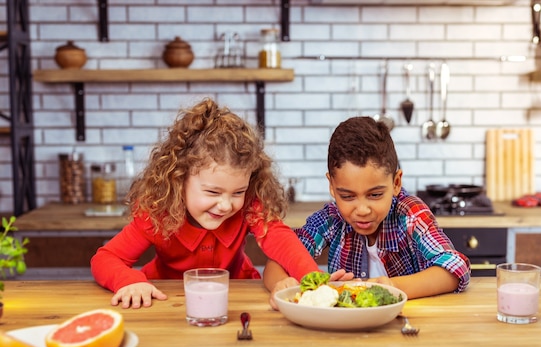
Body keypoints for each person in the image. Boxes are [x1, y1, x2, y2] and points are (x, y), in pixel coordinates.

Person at [91, 97, 331, 309]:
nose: (226, 205)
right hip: (165, 299)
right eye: (213, 192)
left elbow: (280, 239)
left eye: (238, 192)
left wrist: (312, 278)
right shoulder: (158, 212)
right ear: (179, 178)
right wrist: (130, 282)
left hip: (237, 294)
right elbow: (105, 259)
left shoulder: (249, 205)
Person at [264, 116, 471, 309]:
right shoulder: (331, 218)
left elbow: (455, 269)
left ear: (396, 182)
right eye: (347, 196)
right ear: (332, 186)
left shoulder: (410, 214)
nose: (362, 210)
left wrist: (390, 286)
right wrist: (283, 284)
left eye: (375, 195)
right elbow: (276, 263)